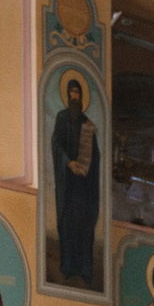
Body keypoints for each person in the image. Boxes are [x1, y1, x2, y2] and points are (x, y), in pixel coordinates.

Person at [49, 74, 101, 286]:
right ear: (67, 95)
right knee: (69, 224)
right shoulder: (62, 118)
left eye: (77, 93)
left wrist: (88, 167)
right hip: (68, 185)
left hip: (83, 187)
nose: (75, 96)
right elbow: (56, 143)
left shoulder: (87, 125)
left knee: (84, 225)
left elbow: (95, 155)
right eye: (72, 92)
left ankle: (85, 269)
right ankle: (69, 267)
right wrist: (67, 162)